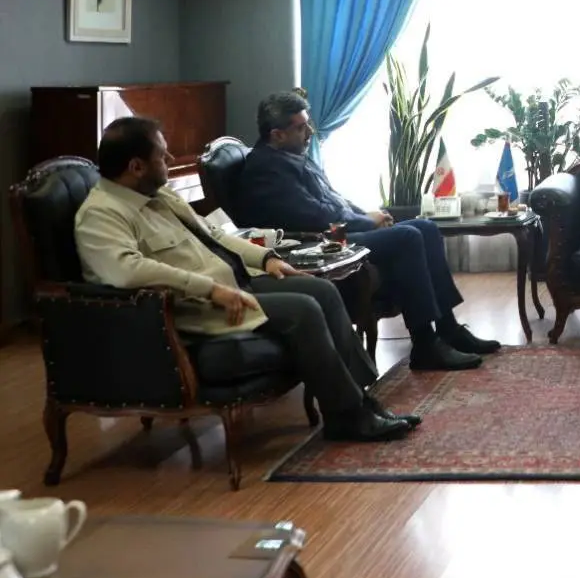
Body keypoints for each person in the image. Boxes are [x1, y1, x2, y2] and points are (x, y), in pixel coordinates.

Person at [74, 117, 416, 442]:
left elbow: (216, 235)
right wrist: (210, 289)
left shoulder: (160, 195)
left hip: (233, 282)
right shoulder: (101, 214)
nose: (171, 159)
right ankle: (346, 417)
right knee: (303, 309)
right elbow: (128, 271)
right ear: (136, 166)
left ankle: (361, 399)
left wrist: (267, 259)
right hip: (196, 306)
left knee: (322, 289)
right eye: (162, 156)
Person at [236, 91, 500, 373]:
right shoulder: (266, 169)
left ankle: (449, 329)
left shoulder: (291, 156)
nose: (310, 132)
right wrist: (366, 222)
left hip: (339, 231)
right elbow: (315, 215)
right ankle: (425, 345)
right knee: (408, 237)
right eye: (301, 127)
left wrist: (368, 215)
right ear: (277, 135)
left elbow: (334, 200)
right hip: (322, 243)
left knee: (426, 227)